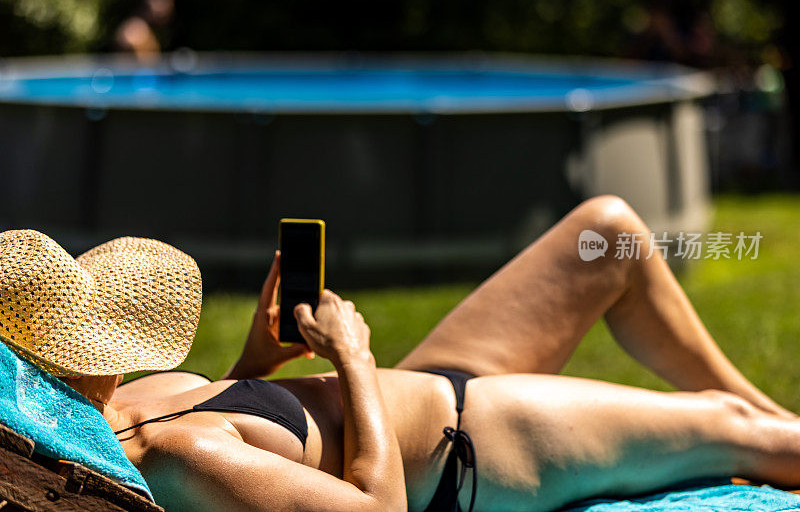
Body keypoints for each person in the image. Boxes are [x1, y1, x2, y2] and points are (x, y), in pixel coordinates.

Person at [2, 195, 800, 512]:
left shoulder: (126, 407)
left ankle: (768, 417)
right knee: (744, 432)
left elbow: (267, 433)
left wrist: (257, 361)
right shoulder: (178, 452)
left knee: (611, 235)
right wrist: (351, 355)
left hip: (428, 385)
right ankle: (768, 429)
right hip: (477, 443)